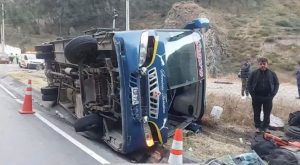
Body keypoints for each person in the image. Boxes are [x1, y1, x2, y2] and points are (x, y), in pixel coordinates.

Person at [247, 57, 279, 132]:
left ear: (267, 64)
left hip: (268, 97)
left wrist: (273, 94)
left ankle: (265, 127)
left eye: (264, 64)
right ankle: (258, 127)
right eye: (261, 64)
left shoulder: (272, 73)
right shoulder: (254, 73)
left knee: (267, 113)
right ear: (258, 64)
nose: (262, 65)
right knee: (256, 112)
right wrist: (252, 95)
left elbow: (276, 84)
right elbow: (249, 83)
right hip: (256, 97)